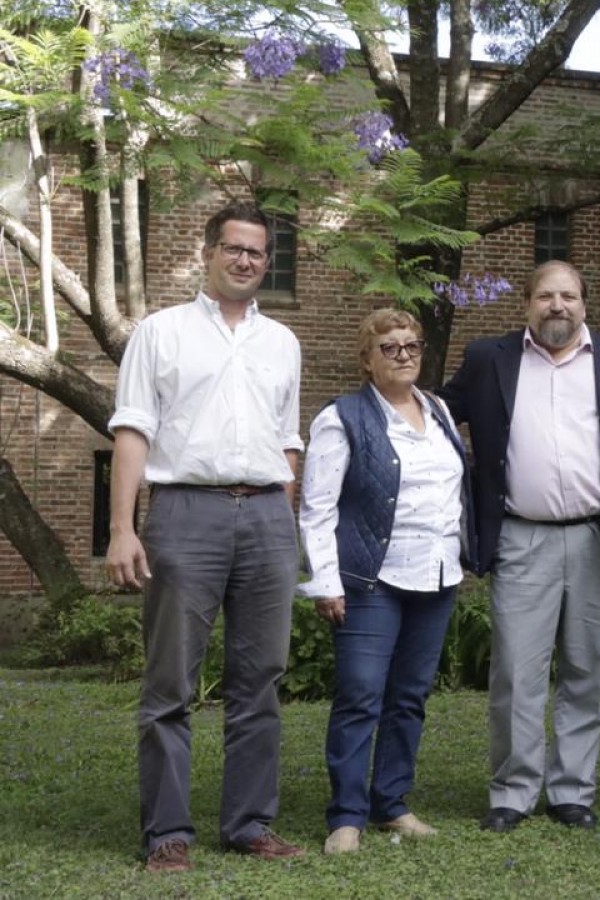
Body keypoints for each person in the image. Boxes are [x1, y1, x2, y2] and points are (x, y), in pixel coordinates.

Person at [106, 202, 306, 872]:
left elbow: (287, 442)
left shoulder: (282, 342)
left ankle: (250, 824)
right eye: (233, 248)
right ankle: (167, 831)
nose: (245, 260)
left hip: (268, 520)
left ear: (266, 260)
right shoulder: (160, 333)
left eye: (257, 251)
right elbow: (132, 429)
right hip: (186, 514)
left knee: (262, 678)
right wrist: (121, 528)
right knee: (170, 682)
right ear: (208, 252)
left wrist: (285, 519)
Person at [439, 260, 600, 832]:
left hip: (596, 536)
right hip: (520, 535)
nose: (557, 306)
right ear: (527, 303)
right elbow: (434, 416)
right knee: (516, 671)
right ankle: (512, 791)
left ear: (585, 303)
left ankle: (572, 791)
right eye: (546, 296)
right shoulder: (490, 359)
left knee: (588, 669)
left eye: (569, 296)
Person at [299, 309, 475, 854]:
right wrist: (326, 581)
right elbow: (317, 509)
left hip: (437, 574)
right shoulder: (342, 419)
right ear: (366, 359)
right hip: (369, 579)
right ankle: (346, 816)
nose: (403, 355)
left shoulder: (440, 409)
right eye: (389, 348)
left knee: (410, 697)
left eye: (412, 346)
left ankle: (391, 803)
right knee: (359, 696)